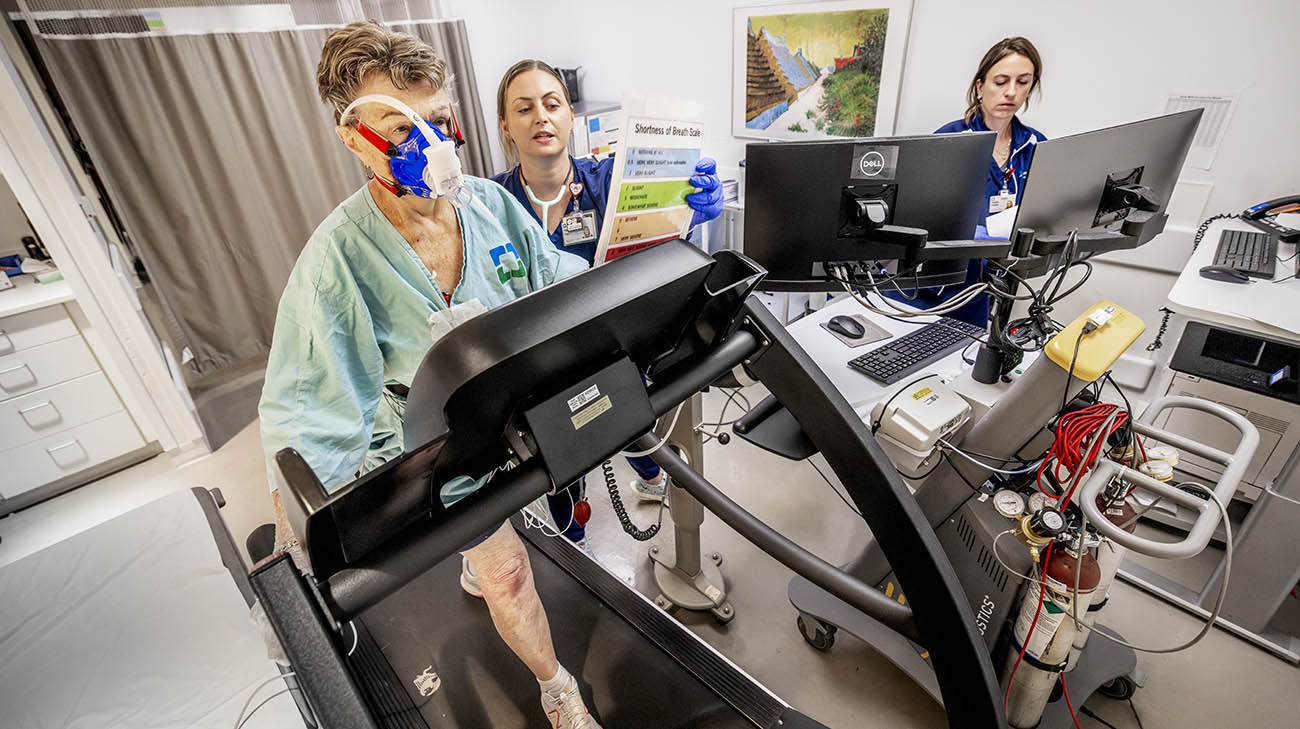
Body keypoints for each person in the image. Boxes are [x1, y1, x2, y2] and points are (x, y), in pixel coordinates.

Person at [258, 22, 600, 729]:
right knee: (507, 570)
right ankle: (556, 687)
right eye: (403, 129)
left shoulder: (493, 206)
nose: (432, 145)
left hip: (510, 420)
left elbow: (562, 287)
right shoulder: (337, 264)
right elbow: (308, 413)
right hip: (432, 450)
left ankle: (479, 562)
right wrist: (298, 565)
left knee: (495, 554)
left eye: (440, 121)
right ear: (357, 140)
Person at [489, 59, 725, 544]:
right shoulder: (492, 201)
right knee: (555, 456)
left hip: (612, 346)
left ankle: (651, 476)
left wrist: (696, 209)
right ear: (506, 126)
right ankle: (570, 535)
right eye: (524, 108)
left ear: (569, 116)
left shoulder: (608, 182)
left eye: (552, 104)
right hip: (539, 366)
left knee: (635, 422)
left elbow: (658, 237)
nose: (541, 117)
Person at [894, 37, 1047, 326]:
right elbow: (915, 218)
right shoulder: (948, 142)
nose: (1011, 92)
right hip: (926, 292)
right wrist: (982, 234)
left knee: (960, 369)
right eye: (1001, 81)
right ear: (980, 86)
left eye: (1023, 82)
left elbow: (1045, 214)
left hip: (978, 295)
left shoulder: (1035, 146)